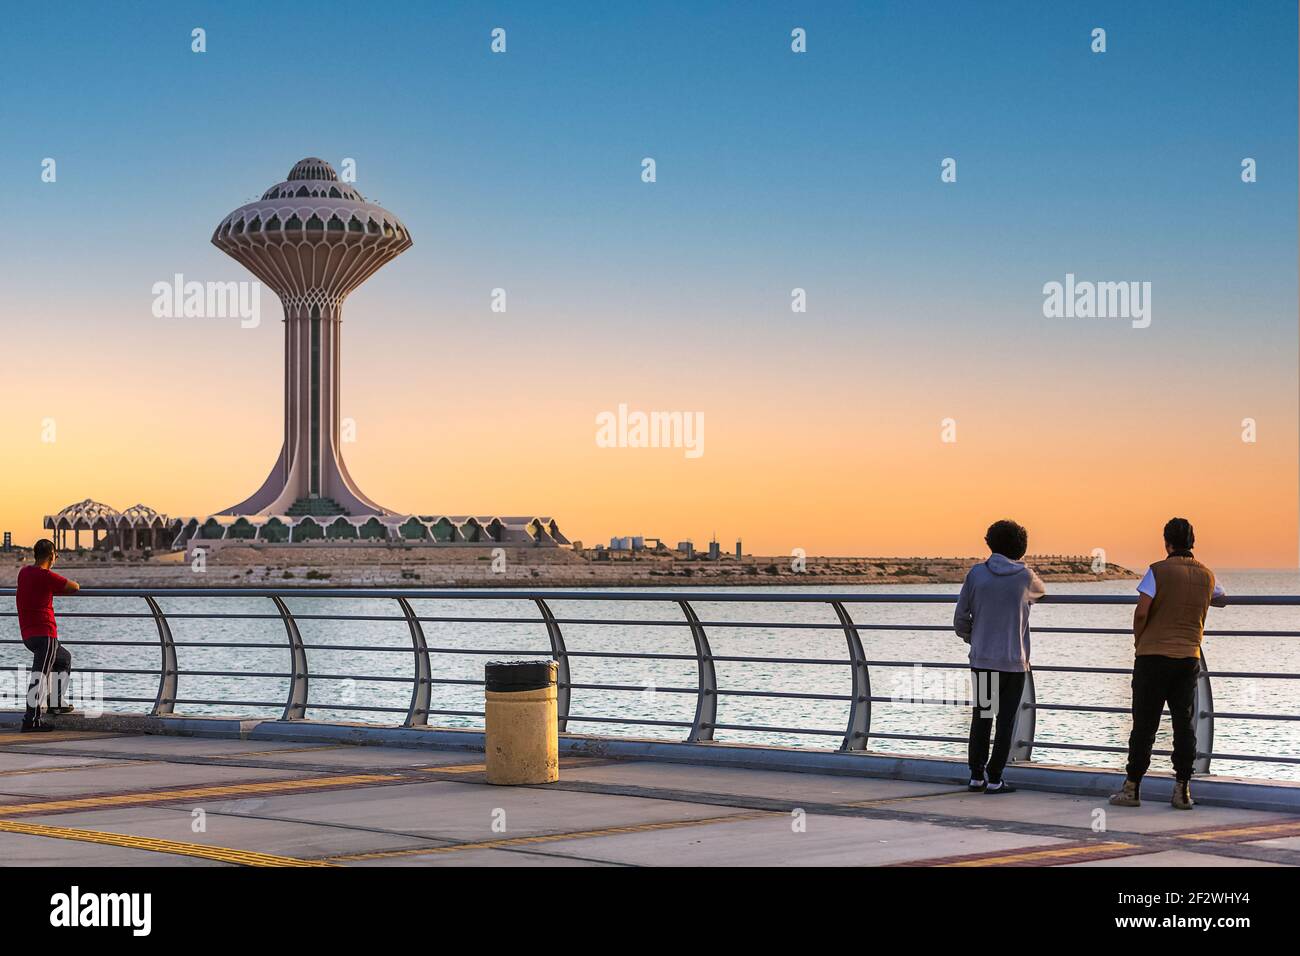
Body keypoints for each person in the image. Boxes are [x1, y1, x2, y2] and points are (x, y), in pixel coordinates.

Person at [1110, 518, 1225, 810]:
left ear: (1167, 543)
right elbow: (1220, 598)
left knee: (1144, 725)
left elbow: (1141, 612)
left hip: (1152, 657)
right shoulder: (1207, 575)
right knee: (1183, 723)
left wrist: (1139, 641)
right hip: (1188, 658)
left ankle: (1132, 788)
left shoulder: (1156, 571)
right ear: (1192, 542)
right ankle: (1182, 790)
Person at [953, 520, 1046, 794]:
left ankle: (976, 775)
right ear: (1021, 547)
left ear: (989, 542)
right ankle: (996, 778)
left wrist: (974, 637)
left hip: (983, 659)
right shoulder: (1026, 576)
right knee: (1006, 722)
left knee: (982, 717)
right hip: (1014, 662)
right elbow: (1042, 593)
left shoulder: (976, 575)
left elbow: (960, 618)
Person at [15, 538, 79, 732]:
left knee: (63, 659)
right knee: (40, 676)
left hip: (28, 634)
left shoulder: (24, 572)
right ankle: (31, 721)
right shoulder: (47, 576)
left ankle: (56, 702)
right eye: (55, 555)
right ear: (52, 556)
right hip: (45, 634)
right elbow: (74, 586)